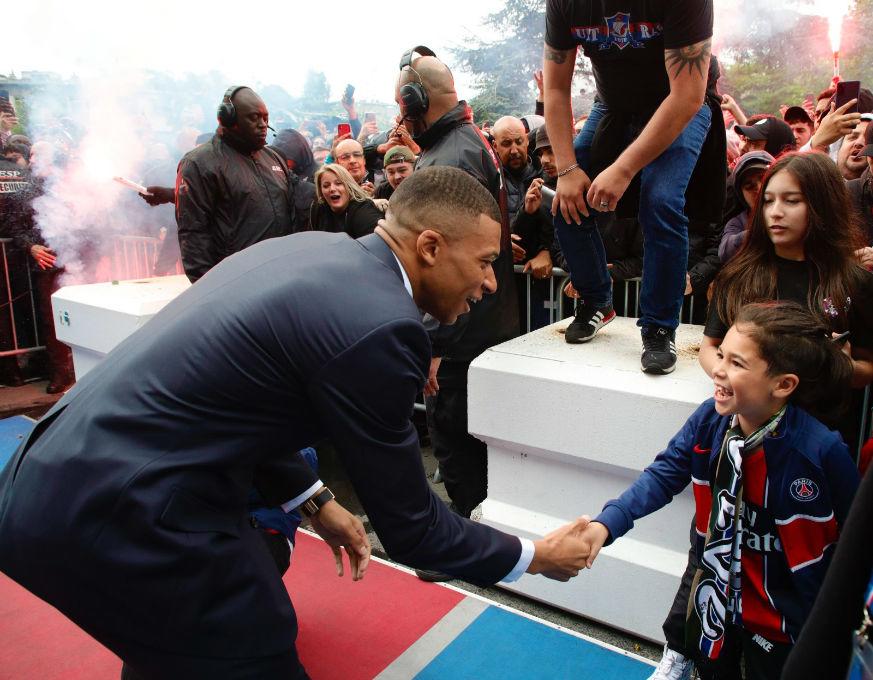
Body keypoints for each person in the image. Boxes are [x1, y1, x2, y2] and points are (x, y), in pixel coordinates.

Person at [0, 167, 594, 679]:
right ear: (431, 247)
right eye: (486, 261)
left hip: (45, 484)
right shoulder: (385, 327)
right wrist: (536, 555)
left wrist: (312, 498)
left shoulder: (312, 249)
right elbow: (414, 529)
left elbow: (237, 400)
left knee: (178, 653)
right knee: (252, 647)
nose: (490, 282)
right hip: (123, 517)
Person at [580, 301, 860, 680]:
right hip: (717, 595)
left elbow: (856, 537)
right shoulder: (709, 420)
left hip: (783, 618)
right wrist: (606, 524)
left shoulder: (820, 451)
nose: (718, 369)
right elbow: (663, 475)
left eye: (737, 363)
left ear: (783, 385)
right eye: (721, 355)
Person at [544, 0, 714, 374]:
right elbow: (555, 90)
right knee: (566, 199)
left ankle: (659, 326)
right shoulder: (565, 4)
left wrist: (623, 169)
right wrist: (567, 169)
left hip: (678, 101)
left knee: (660, 200)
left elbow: (687, 95)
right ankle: (596, 300)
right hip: (613, 106)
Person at [395, 47, 519, 533]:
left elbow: (452, 264)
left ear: (417, 100)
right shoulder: (463, 144)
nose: (400, 118)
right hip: (477, 328)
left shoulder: (452, 156)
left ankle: (469, 540)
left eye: (402, 105)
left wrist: (433, 344)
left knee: (458, 444)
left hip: (461, 335)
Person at [175, 86, 295, 282]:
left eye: (265, 118)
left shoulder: (273, 158)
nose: (263, 125)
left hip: (281, 276)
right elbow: (194, 234)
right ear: (229, 118)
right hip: (237, 283)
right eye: (254, 117)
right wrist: (211, 288)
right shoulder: (199, 163)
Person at [718, 150, 774, 263]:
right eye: (749, 186)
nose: (758, 188)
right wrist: (755, 233)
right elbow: (724, 252)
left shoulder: (791, 211)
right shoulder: (738, 222)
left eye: (763, 179)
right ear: (741, 195)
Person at [308, 164, 382, 238]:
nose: (332, 189)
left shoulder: (364, 211)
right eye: (326, 186)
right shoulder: (318, 208)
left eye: (338, 183)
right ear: (321, 191)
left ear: (349, 186)